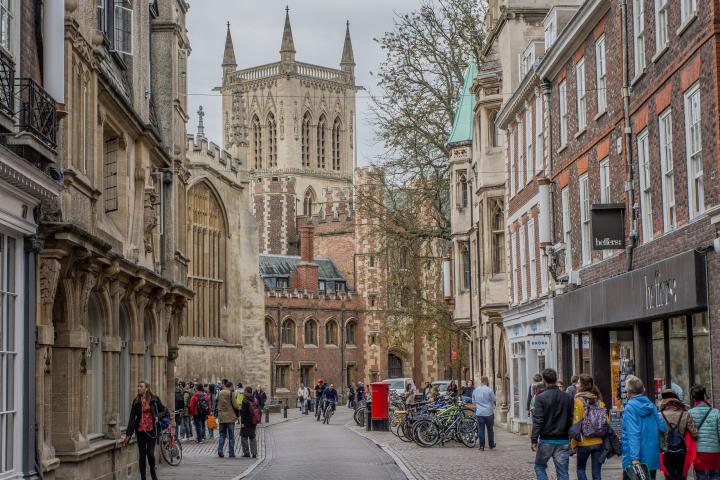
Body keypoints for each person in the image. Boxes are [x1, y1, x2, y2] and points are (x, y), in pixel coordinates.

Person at [531, 368, 574, 480]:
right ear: (555, 379)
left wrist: (534, 439)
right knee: (563, 472)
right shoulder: (568, 398)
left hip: (546, 439)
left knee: (540, 466)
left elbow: (538, 420)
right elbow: (571, 419)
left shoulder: (540, 398)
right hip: (563, 439)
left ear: (544, 380)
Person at [621, 375, 666, 480]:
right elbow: (662, 427)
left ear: (629, 391)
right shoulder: (651, 405)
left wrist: (634, 459)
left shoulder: (630, 408)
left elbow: (633, 434)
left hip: (635, 459)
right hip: (652, 457)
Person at [124, 381, 166, 480]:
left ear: (146, 388)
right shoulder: (136, 401)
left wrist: (157, 417)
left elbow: (164, 410)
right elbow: (132, 418)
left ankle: (153, 472)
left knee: (150, 454)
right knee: (142, 455)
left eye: (141, 386)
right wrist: (128, 434)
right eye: (138, 386)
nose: (138, 388)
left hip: (151, 432)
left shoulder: (154, 399)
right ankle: (143, 477)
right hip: (140, 432)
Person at [572, 374, 609, 480]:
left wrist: (573, 443)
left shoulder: (578, 401)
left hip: (583, 442)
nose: (576, 385)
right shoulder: (599, 402)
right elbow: (607, 421)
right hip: (598, 442)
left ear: (582, 386)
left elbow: (576, 423)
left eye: (578, 382)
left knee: (581, 469)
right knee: (597, 473)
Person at [659, 387, 697, 479]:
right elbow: (695, 433)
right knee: (681, 476)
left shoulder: (659, 415)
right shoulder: (685, 414)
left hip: (665, 451)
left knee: (669, 476)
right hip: (681, 451)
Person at [689, 384, 720, 480]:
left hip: (698, 452)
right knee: (715, 476)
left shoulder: (690, 413)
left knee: (701, 477)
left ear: (693, 398)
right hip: (715, 452)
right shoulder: (715, 412)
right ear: (704, 395)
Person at [472, 376, 496, 451]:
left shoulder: (476, 390)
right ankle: (491, 445)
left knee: (481, 429)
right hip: (488, 412)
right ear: (486, 381)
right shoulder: (489, 390)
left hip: (479, 412)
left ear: (481, 381)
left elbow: (473, 401)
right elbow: (494, 399)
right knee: (490, 429)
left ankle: (481, 446)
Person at [217, 380, 239, 458]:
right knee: (231, 436)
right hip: (230, 417)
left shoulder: (219, 393)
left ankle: (220, 450)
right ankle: (231, 452)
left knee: (222, 435)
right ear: (230, 386)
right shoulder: (231, 393)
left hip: (221, 417)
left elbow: (217, 402)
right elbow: (235, 405)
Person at [240, 386, 259, 458]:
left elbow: (243, 413)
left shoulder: (245, 400)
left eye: (245, 391)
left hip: (246, 421)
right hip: (254, 420)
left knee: (244, 437)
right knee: (252, 436)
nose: (244, 392)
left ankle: (246, 453)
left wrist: (242, 422)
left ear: (247, 392)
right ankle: (254, 453)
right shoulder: (255, 399)